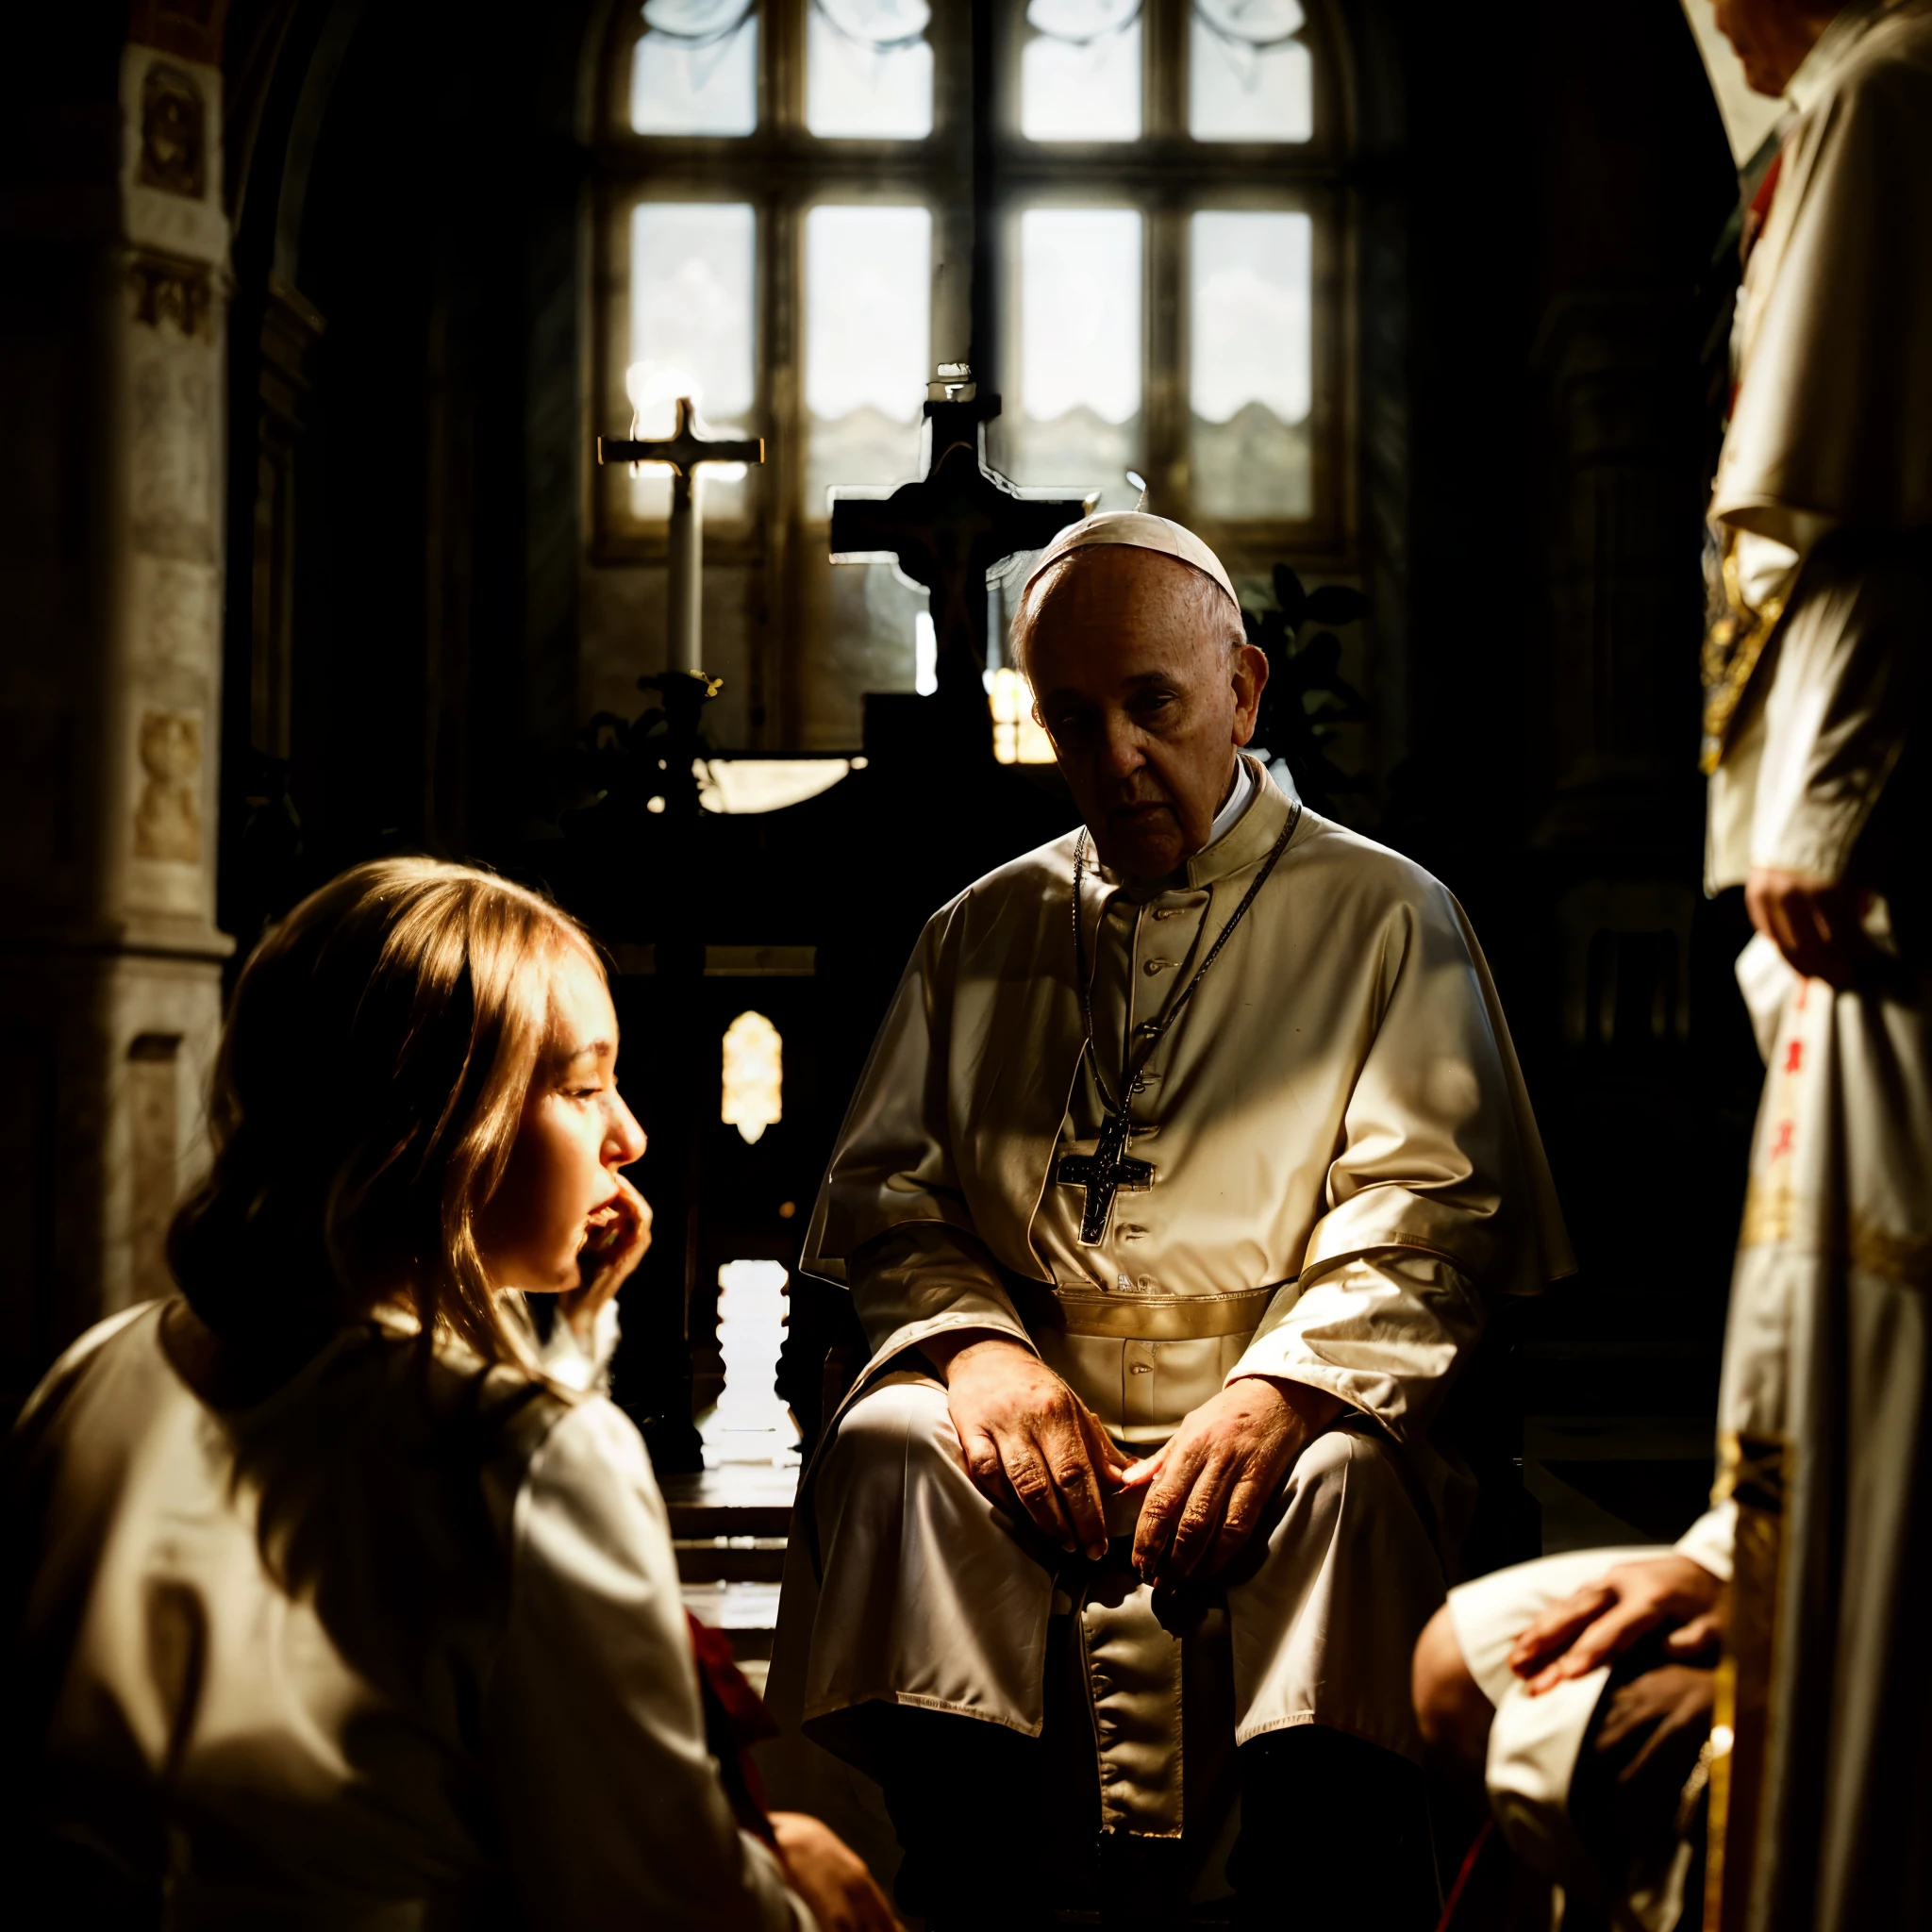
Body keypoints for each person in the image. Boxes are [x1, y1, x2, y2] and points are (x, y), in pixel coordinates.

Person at [765, 512, 1573, 1929]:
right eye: (1073, 719)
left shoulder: (1390, 915)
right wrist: (977, 1355)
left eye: (1156, 706)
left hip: (1296, 1398)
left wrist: (1282, 1394)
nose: (1116, 756)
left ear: (1243, 691)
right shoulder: (980, 929)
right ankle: (977, 1889)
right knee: (895, 1446)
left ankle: (1313, 1900)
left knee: (1340, 1494)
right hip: (1035, 1416)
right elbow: (893, 1203)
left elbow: (1435, 1214)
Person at [1413, 5, 1932, 1928]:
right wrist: (1726, 1544)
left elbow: (1853, 533)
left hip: (1863, 907)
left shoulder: (1891, 90)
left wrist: (1824, 799)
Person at [0, 858, 898, 1932]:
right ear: (437, 1123)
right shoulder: (525, 1454)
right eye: (580, 1086)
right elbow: (657, 1895)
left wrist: (561, 1350)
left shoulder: (97, 1367)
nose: (629, 1136)